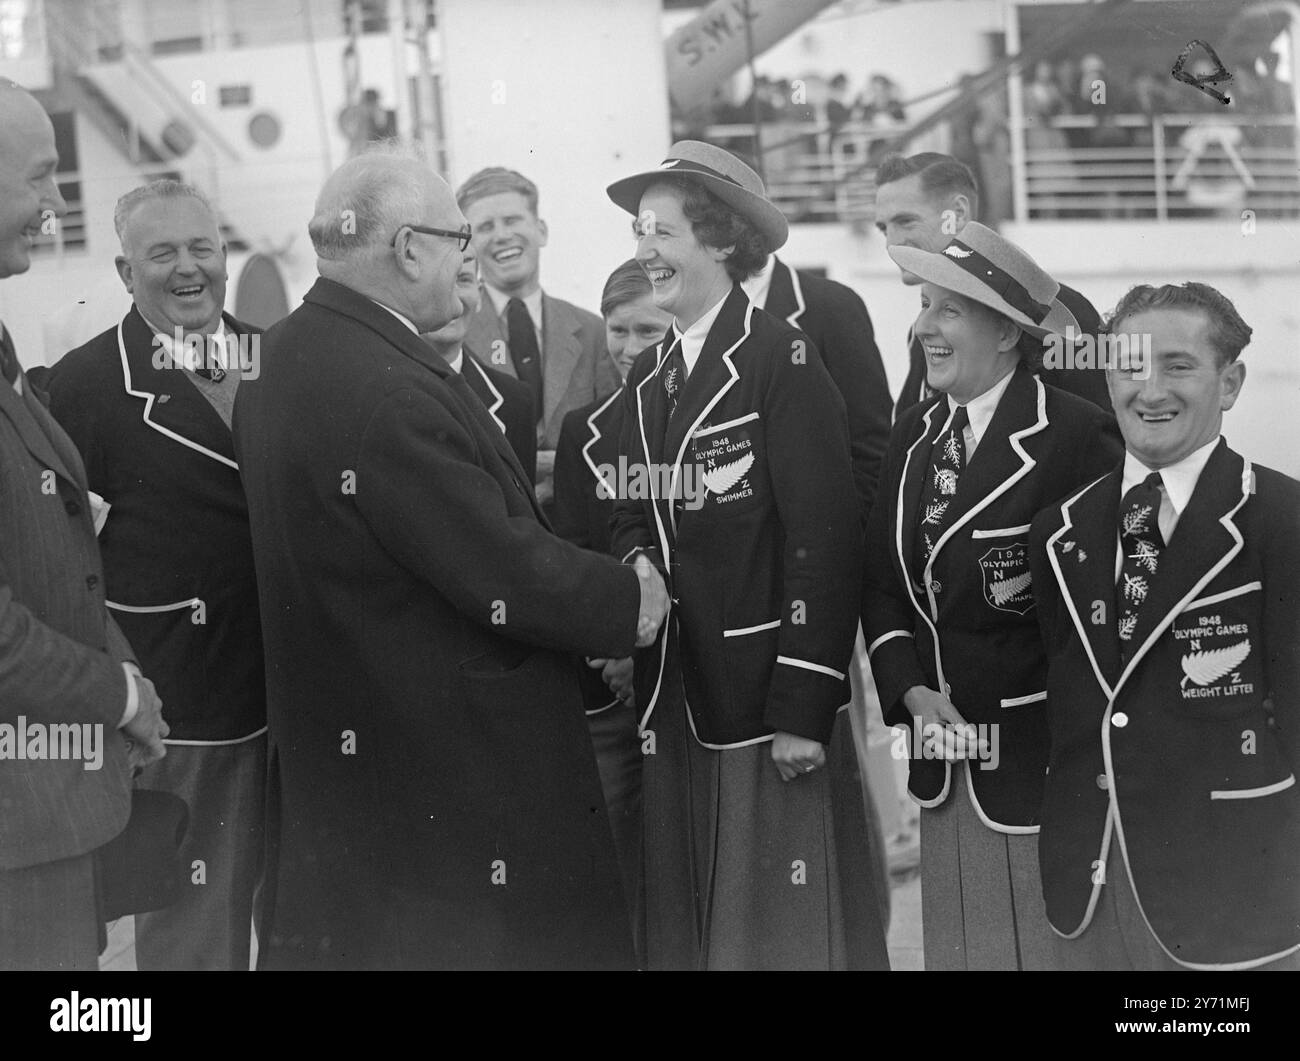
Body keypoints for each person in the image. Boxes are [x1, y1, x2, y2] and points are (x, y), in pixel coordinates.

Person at [231, 144, 668, 970]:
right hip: (445, 768)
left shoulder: (278, 357)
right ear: (407, 249)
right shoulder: (390, 386)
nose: (468, 257)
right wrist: (627, 600)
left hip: (348, 759)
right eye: (458, 237)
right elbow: (494, 562)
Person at [606, 140, 888, 970]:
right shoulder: (651, 372)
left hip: (767, 706)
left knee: (780, 932)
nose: (644, 250)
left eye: (661, 232)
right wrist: (636, 561)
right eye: (638, 233)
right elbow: (627, 502)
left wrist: (805, 707)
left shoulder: (782, 363)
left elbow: (824, 542)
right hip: (679, 696)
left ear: (723, 241)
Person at [860, 221, 1122, 970]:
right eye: (924, 307)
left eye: (948, 310)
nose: (924, 328)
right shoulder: (912, 438)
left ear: (1008, 335)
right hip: (943, 761)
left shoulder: (1075, 435)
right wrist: (907, 687)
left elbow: (1098, 619)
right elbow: (883, 583)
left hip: (1037, 767)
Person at [1029, 282, 1300, 970]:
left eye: (1178, 366)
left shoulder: (1282, 520)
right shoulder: (1059, 531)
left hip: (1235, 894)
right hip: (1090, 884)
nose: (1149, 390)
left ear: (1230, 382)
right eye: (1128, 366)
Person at [44, 179, 266, 971]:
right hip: (185, 711)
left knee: (308, 924)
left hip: (299, 701)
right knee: (193, 937)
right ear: (122, 270)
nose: (187, 269)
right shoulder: (81, 389)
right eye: (161, 252)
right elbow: (61, 563)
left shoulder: (281, 362)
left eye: (202, 248)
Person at [0, 78, 167, 970]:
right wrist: (121, 694)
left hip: (47, 811)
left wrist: (121, 669)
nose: (57, 204)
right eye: (40, 177)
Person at [552, 258, 673, 956]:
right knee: (619, 854)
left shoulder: (696, 420)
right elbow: (573, 549)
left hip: (688, 674)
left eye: (648, 329)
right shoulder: (583, 432)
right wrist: (619, 652)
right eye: (618, 330)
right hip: (613, 682)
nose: (630, 348)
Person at [875, 151, 1112, 416]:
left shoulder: (1061, 314)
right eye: (884, 229)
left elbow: (1096, 434)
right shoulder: (920, 331)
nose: (890, 243)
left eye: (906, 221)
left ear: (958, 213)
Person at [455, 166, 618, 508]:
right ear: (467, 245)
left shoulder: (592, 331)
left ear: (541, 230)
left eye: (512, 220)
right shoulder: (452, 333)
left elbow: (614, 440)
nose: (501, 236)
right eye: (485, 227)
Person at [419, 246, 537, 481]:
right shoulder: (375, 385)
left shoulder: (515, 401)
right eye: (437, 280)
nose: (452, 296)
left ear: (480, 294)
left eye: (463, 280)